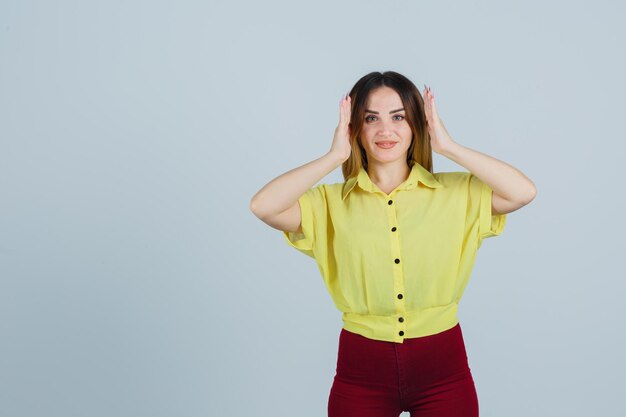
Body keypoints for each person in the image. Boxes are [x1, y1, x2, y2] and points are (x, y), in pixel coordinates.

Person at [249, 71, 536, 417]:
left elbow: (523, 192)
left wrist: (449, 147)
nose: (386, 130)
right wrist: (333, 156)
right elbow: (262, 206)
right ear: (355, 128)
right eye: (372, 119)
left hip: (443, 370)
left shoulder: (457, 193)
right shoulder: (328, 203)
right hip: (361, 373)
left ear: (417, 124)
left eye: (398, 117)